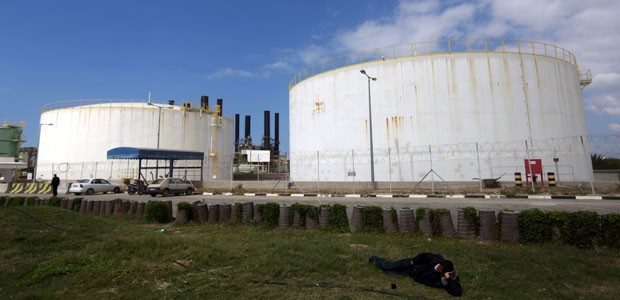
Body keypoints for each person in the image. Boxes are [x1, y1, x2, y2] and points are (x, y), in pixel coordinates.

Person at [369, 252, 462, 297]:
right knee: (389, 266)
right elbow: (424, 255)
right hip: (412, 264)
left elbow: (457, 292)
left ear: (445, 272)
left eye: (441, 269)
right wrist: (414, 261)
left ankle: (380, 265)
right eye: (439, 266)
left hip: (412, 273)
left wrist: (449, 278)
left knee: (388, 273)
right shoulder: (436, 259)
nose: (439, 268)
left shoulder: (443, 279)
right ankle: (375, 259)